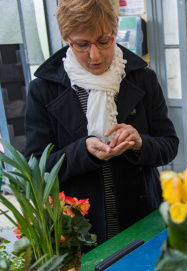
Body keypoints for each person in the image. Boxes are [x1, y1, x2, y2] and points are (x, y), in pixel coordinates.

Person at [24, 0, 179, 245]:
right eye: (82, 45)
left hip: (141, 218)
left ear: (115, 31)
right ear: (67, 39)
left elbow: (169, 145)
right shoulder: (44, 90)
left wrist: (139, 144)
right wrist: (82, 151)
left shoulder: (143, 78)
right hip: (79, 228)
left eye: (104, 41)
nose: (94, 55)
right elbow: (34, 168)